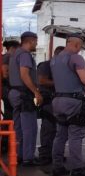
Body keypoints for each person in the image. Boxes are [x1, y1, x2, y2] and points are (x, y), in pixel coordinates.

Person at [51, 33, 85, 176]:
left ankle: (57, 166)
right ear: (77, 44)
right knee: (76, 136)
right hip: (73, 101)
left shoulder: (55, 59)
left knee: (60, 135)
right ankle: (77, 168)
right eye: (81, 46)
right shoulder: (76, 57)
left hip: (58, 101)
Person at [8, 32, 43, 166]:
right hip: (24, 95)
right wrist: (36, 92)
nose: (36, 44)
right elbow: (24, 74)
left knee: (19, 128)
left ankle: (18, 155)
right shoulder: (24, 55)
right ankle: (28, 158)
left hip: (15, 93)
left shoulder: (15, 54)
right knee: (30, 128)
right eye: (36, 41)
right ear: (31, 41)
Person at [36, 46, 62, 165]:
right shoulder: (45, 65)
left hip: (58, 101)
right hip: (48, 101)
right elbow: (41, 80)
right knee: (48, 128)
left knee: (57, 130)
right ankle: (45, 155)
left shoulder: (60, 67)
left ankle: (53, 154)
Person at [2, 38, 20, 121]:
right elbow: (5, 73)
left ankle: (8, 132)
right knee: (10, 113)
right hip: (7, 88)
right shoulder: (8, 57)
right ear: (13, 48)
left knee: (10, 112)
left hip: (7, 88)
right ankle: (8, 132)